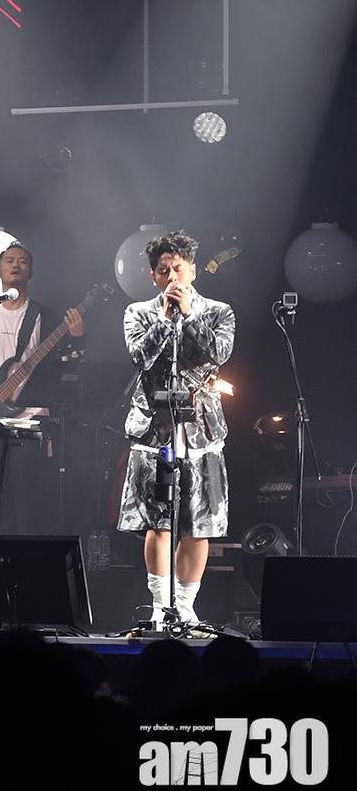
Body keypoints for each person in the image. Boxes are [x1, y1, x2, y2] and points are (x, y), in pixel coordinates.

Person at [116, 231, 235, 626]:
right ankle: (158, 608)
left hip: (201, 430)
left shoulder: (218, 312)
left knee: (199, 523)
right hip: (154, 429)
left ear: (193, 271)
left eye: (178, 269)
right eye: (164, 270)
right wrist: (165, 320)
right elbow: (140, 358)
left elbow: (217, 354)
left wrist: (189, 316)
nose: (172, 277)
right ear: (152, 276)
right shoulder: (138, 313)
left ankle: (185, 607)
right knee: (158, 519)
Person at [0, 242, 85, 532]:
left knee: (26, 501)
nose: (16, 265)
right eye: (9, 260)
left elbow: (68, 365)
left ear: (31, 272)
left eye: (22, 261)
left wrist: (78, 338)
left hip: (29, 422)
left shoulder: (44, 316)